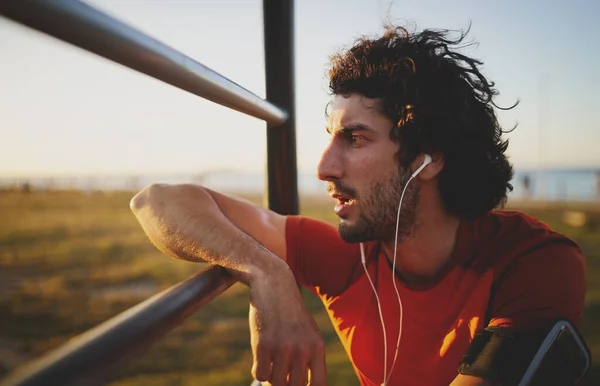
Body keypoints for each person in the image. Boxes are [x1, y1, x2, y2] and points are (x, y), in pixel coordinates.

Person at [130, 26, 587, 386]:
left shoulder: (535, 262)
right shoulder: (349, 260)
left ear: (428, 158)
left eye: (355, 138)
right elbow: (157, 202)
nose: (324, 167)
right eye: (330, 137)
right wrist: (266, 274)